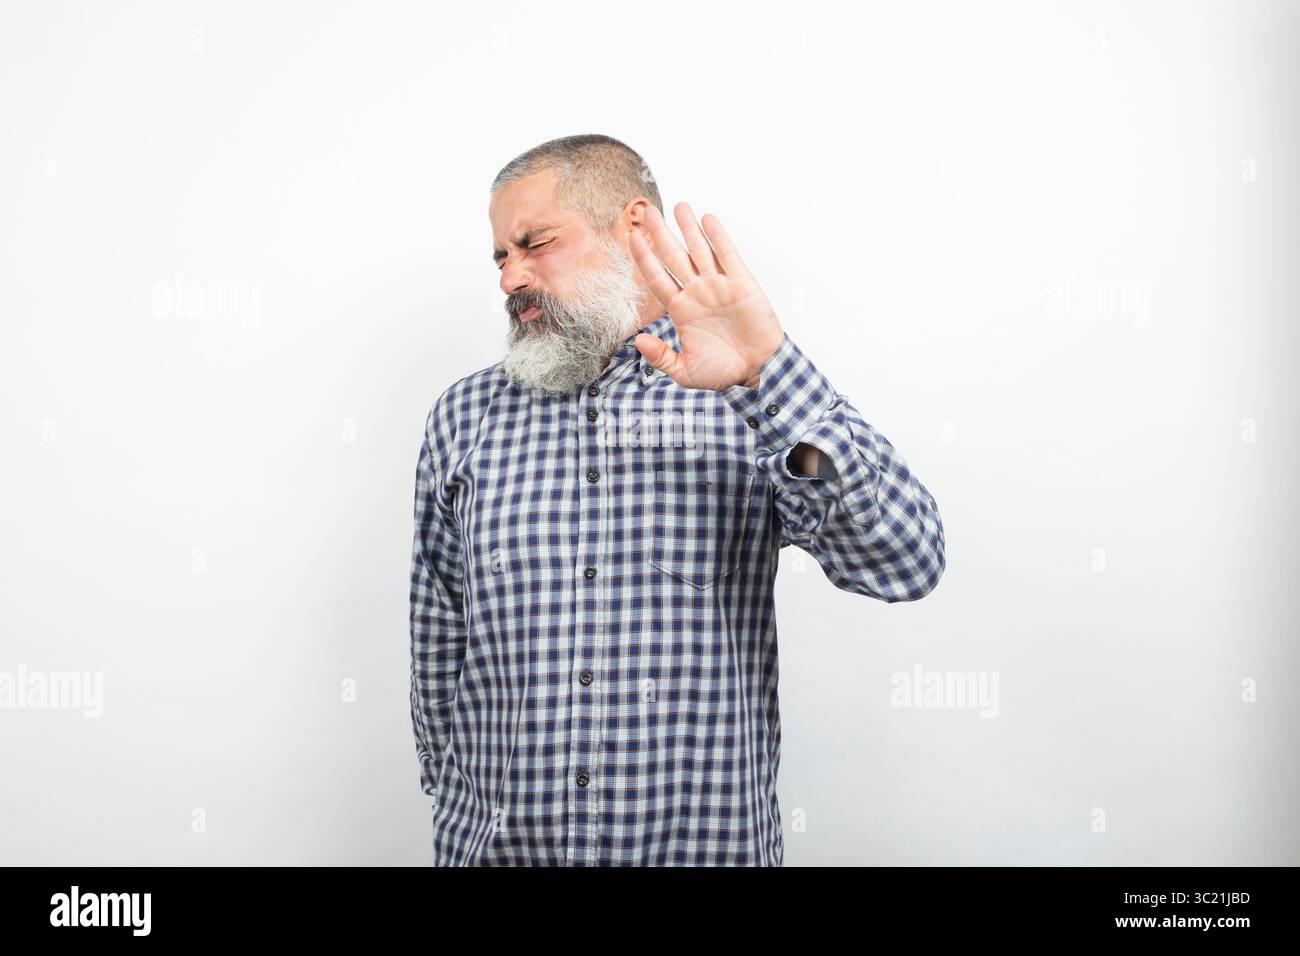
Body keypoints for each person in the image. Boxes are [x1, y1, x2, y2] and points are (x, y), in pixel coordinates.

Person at [409, 133, 945, 866]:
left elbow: (906, 562)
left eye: (534, 244)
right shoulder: (462, 416)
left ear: (632, 227)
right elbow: (440, 633)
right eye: (502, 256)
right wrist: (450, 790)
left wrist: (770, 374)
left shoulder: (750, 397)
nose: (510, 278)